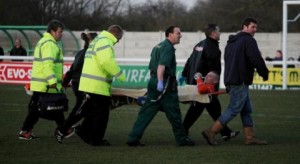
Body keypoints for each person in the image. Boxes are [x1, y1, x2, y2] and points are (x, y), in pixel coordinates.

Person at [202, 17, 269, 146]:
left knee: (246, 109)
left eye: (256, 27)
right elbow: (256, 59)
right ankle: (211, 132)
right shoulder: (248, 40)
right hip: (240, 81)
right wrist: (264, 73)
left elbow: (228, 62)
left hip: (232, 80)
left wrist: (227, 81)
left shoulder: (231, 42)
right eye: (252, 27)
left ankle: (250, 137)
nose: (255, 30)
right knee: (234, 108)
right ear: (244, 26)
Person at [126, 26, 195, 147]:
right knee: (174, 113)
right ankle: (182, 139)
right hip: (164, 84)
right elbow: (161, 66)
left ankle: (133, 137)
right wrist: (160, 82)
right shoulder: (168, 47)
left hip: (153, 81)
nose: (181, 35)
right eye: (178, 33)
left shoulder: (158, 46)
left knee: (147, 111)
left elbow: (153, 64)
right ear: (170, 34)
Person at [180, 24, 239, 141]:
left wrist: (184, 74)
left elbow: (190, 60)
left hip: (196, 82)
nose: (220, 33)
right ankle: (182, 131)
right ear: (213, 33)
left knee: (213, 108)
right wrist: (214, 84)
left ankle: (225, 132)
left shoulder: (199, 44)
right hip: (205, 85)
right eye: (219, 31)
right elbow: (213, 70)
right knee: (198, 109)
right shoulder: (212, 48)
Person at [18, 20, 74, 142]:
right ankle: (63, 128)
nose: (61, 34)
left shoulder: (44, 42)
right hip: (47, 84)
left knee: (46, 107)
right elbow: (47, 65)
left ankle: (63, 128)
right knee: (50, 107)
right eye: (60, 31)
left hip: (42, 83)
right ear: (52, 31)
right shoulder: (50, 44)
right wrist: (53, 81)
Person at [76, 25, 126, 146]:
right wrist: (120, 75)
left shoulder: (97, 40)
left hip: (89, 83)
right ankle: (95, 139)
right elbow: (106, 61)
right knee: (102, 114)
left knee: (94, 111)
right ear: (115, 34)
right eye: (118, 39)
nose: (117, 42)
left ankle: (84, 131)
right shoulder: (105, 41)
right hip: (97, 85)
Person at [56, 32, 97, 141]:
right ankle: (63, 129)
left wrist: (65, 83)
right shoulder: (89, 55)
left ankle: (82, 130)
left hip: (77, 83)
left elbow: (72, 69)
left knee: (89, 108)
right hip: (82, 84)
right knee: (81, 108)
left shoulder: (81, 53)